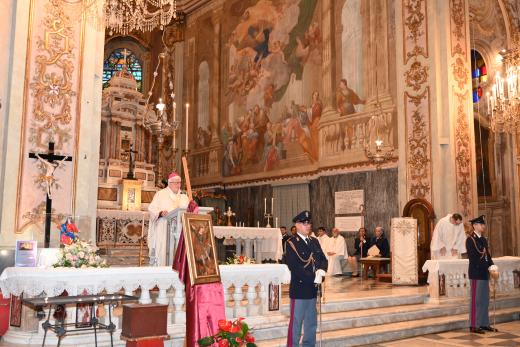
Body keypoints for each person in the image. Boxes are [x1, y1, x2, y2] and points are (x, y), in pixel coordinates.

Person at [285, 211, 327, 347]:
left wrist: (321, 270)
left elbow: (323, 259)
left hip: (313, 289)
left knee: (311, 323)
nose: (308, 226)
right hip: (300, 289)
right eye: (304, 223)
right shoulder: (291, 243)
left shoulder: (314, 241)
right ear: (297, 225)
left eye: (309, 223)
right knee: (296, 323)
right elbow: (295, 267)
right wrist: (314, 277)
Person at [147, 172, 190, 266]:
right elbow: (152, 209)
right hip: (164, 229)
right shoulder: (160, 194)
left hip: (180, 230)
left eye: (179, 182)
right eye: (175, 182)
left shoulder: (184, 196)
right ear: (169, 183)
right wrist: (161, 213)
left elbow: (188, 211)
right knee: (163, 254)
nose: (178, 185)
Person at [467, 215, 497, 334]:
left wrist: (492, 265)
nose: (483, 226)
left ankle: (484, 323)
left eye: (483, 224)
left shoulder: (483, 239)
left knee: (485, 300)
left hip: (485, 273)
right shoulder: (470, 240)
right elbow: (474, 259)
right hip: (476, 274)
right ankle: (474, 325)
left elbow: (487, 255)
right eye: (481, 224)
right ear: (475, 226)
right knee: (476, 300)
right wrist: (486, 266)